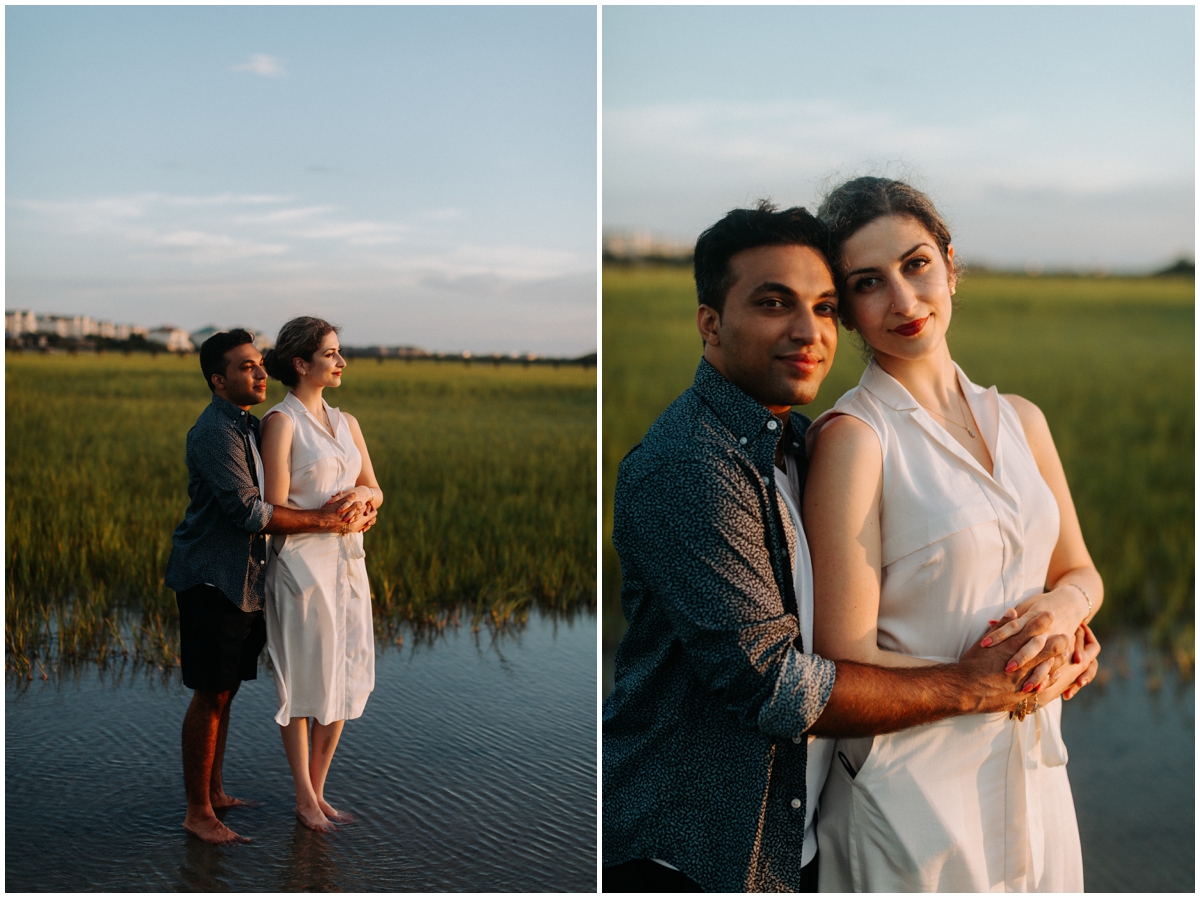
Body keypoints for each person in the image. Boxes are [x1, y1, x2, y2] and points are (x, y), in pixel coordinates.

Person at [601, 203, 1099, 892]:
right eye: (775, 303)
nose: (806, 331)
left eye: (823, 305)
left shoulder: (786, 441)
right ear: (709, 322)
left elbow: (1055, 571)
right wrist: (979, 683)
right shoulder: (699, 465)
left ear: (951, 267)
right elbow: (779, 685)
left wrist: (1063, 624)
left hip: (806, 831)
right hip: (698, 854)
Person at [805, 177, 1101, 891]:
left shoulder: (1022, 420)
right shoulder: (855, 439)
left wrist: (1063, 619)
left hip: (1036, 774)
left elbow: (1080, 574)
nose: (903, 302)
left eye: (916, 265)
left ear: (949, 261)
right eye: (868, 283)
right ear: (845, 310)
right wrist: (1006, 676)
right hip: (910, 804)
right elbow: (843, 656)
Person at [166, 329, 375, 845]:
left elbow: (354, 483)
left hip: (247, 580)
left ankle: (215, 793)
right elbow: (251, 511)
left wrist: (363, 504)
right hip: (213, 576)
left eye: (260, 364)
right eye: (245, 367)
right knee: (211, 693)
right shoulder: (218, 431)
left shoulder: (248, 425)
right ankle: (199, 811)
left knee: (225, 690)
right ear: (218, 380)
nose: (260, 372)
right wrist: (330, 522)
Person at [260, 316, 383, 833]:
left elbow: (375, 487)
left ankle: (320, 789)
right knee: (305, 684)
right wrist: (329, 517)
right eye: (331, 354)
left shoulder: (348, 422)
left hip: (350, 566)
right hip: (300, 569)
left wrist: (364, 503)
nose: (341, 361)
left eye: (339, 352)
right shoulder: (281, 423)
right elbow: (270, 508)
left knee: (346, 677)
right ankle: (303, 798)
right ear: (301, 364)